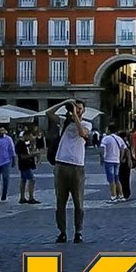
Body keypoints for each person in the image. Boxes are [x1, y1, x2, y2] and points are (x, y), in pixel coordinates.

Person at [51, 99, 92, 243]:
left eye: (80, 108)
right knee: (60, 203)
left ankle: (78, 232)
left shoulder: (87, 124)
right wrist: (63, 103)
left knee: (78, 203)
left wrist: (75, 115)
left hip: (77, 166)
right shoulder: (64, 122)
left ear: (84, 110)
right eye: (76, 108)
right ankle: (62, 231)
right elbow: (48, 113)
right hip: (61, 164)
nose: (78, 110)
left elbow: (82, 133)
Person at [100, 123, 127, 203]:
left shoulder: (106, 138)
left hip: (109, 160)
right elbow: (123, 149)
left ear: (109, 129)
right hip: (117, 161)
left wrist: (102, 158)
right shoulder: (119, 138)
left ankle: (113, 196)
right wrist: (120, 158)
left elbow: (101, 149)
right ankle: (121, 196)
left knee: (111, 179)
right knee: (117, 178)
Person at [16, 127, 40, 205]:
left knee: (23, 180)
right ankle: (31, 197)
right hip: (24, 165)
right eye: (31, 135)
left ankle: (22, 197)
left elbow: (31, 150)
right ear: (27, 135)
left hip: (27, 164)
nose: (32, 137)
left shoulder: (27, 143)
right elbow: (23, 156)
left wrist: (33, 144)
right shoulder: (20, 144)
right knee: (32, 179)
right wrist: (33, 154)